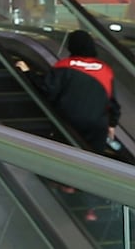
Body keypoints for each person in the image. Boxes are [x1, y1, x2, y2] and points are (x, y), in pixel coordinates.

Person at [18, 30, 121, 222]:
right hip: (97, 124)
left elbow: (46, 88)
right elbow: (112, 101)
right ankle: (91, 210)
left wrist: (26, 72)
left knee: (65, 155)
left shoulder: (65, 66)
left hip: (69, 122)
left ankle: (65, 186)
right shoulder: (104, 69)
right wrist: (112, 123)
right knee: (92, 163)